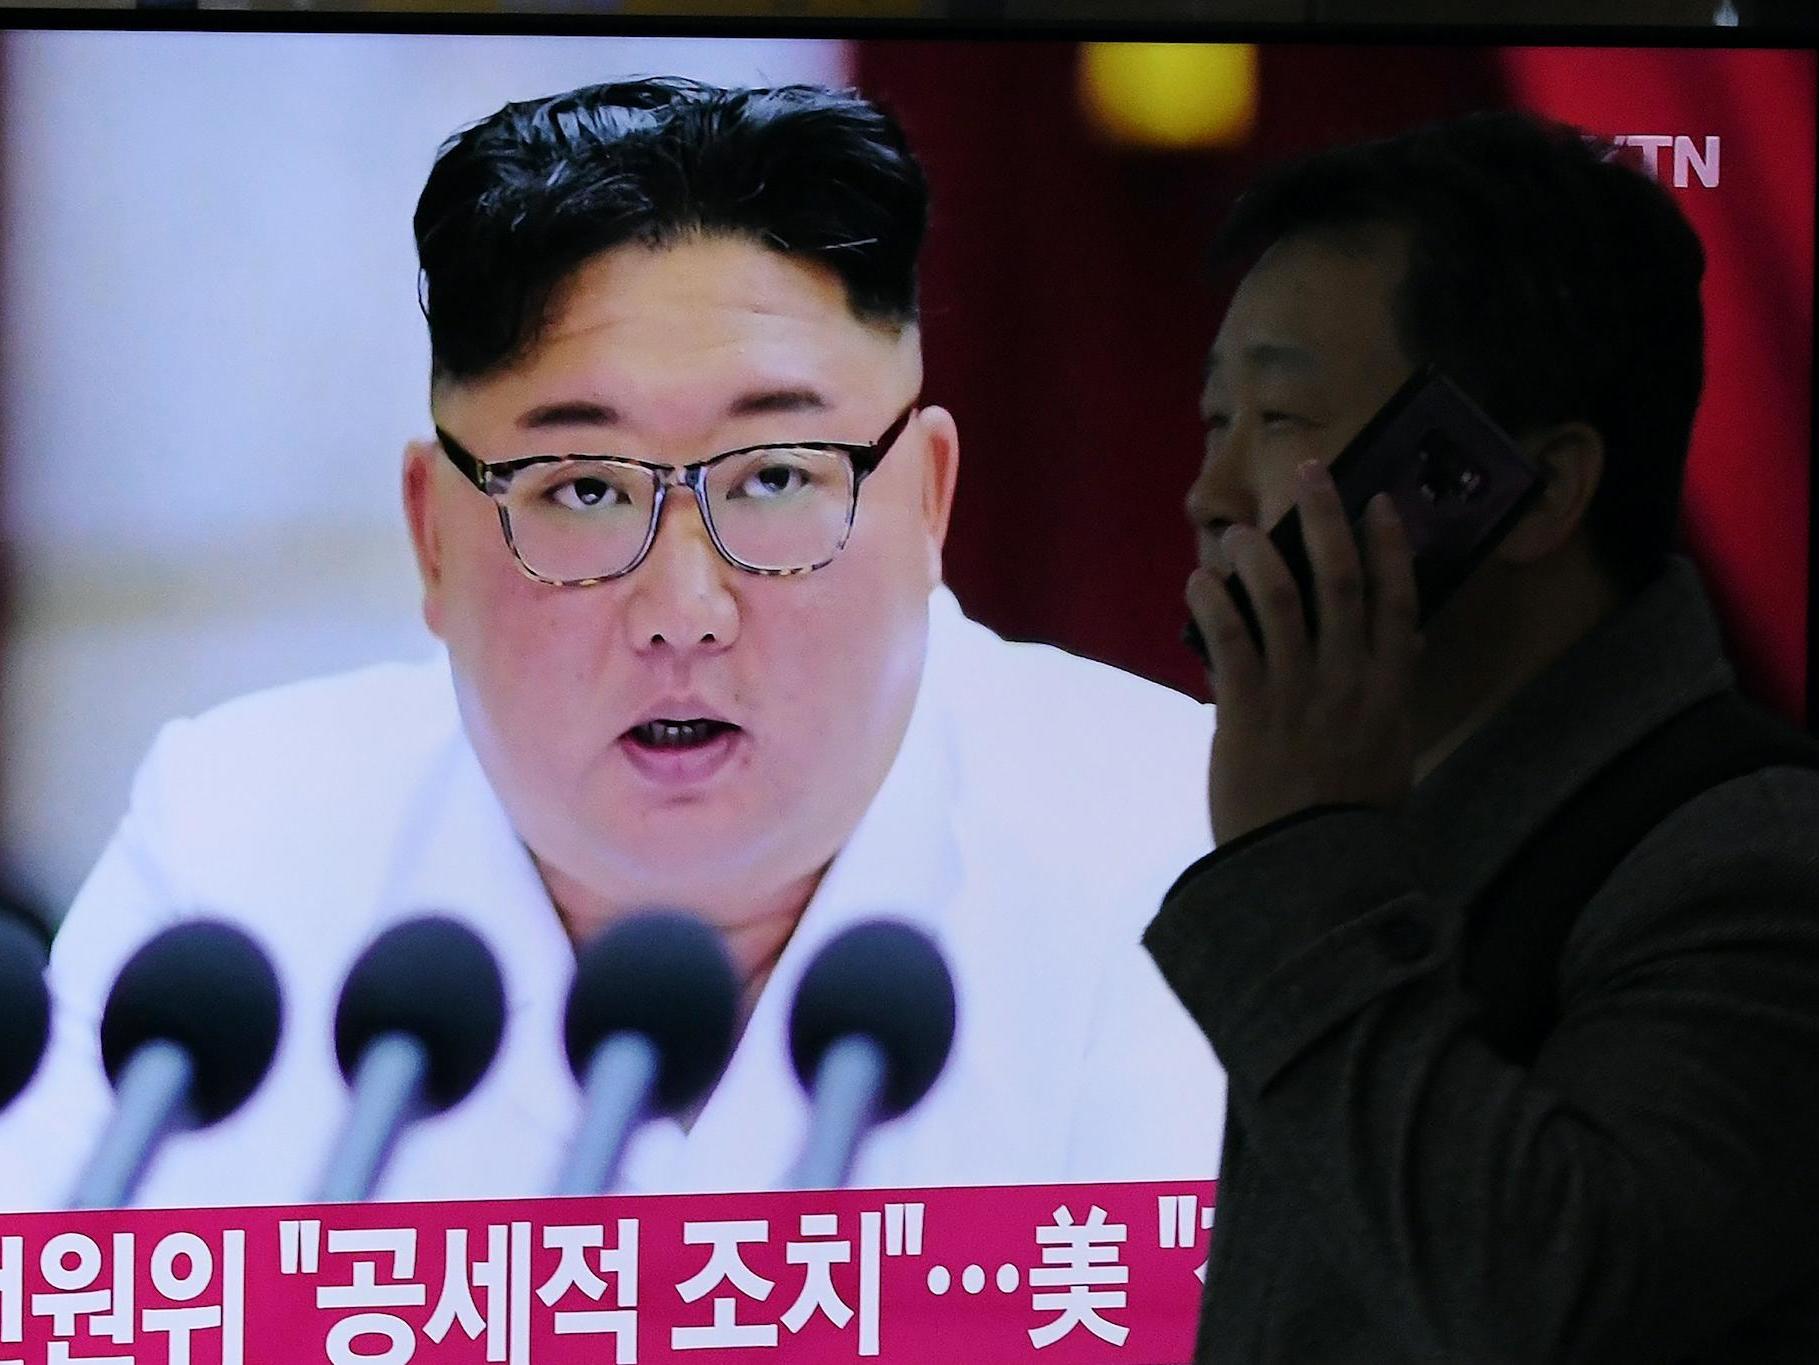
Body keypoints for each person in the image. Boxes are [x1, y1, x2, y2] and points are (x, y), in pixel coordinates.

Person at [2, 78, 1222, 1209]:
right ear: (433, 537)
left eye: (776, 477)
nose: (682, 605)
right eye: (581, 489)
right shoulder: (238, 849)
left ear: (928, 503)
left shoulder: (1164, 843)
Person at [1147, 109, 1819, 1362]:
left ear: (1528, 487)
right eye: (1213, 423)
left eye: (1282, 422)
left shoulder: (1755, 861)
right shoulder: (1400, 810)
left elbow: (1552, 1300)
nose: (1212, 495)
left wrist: (1299, 852)